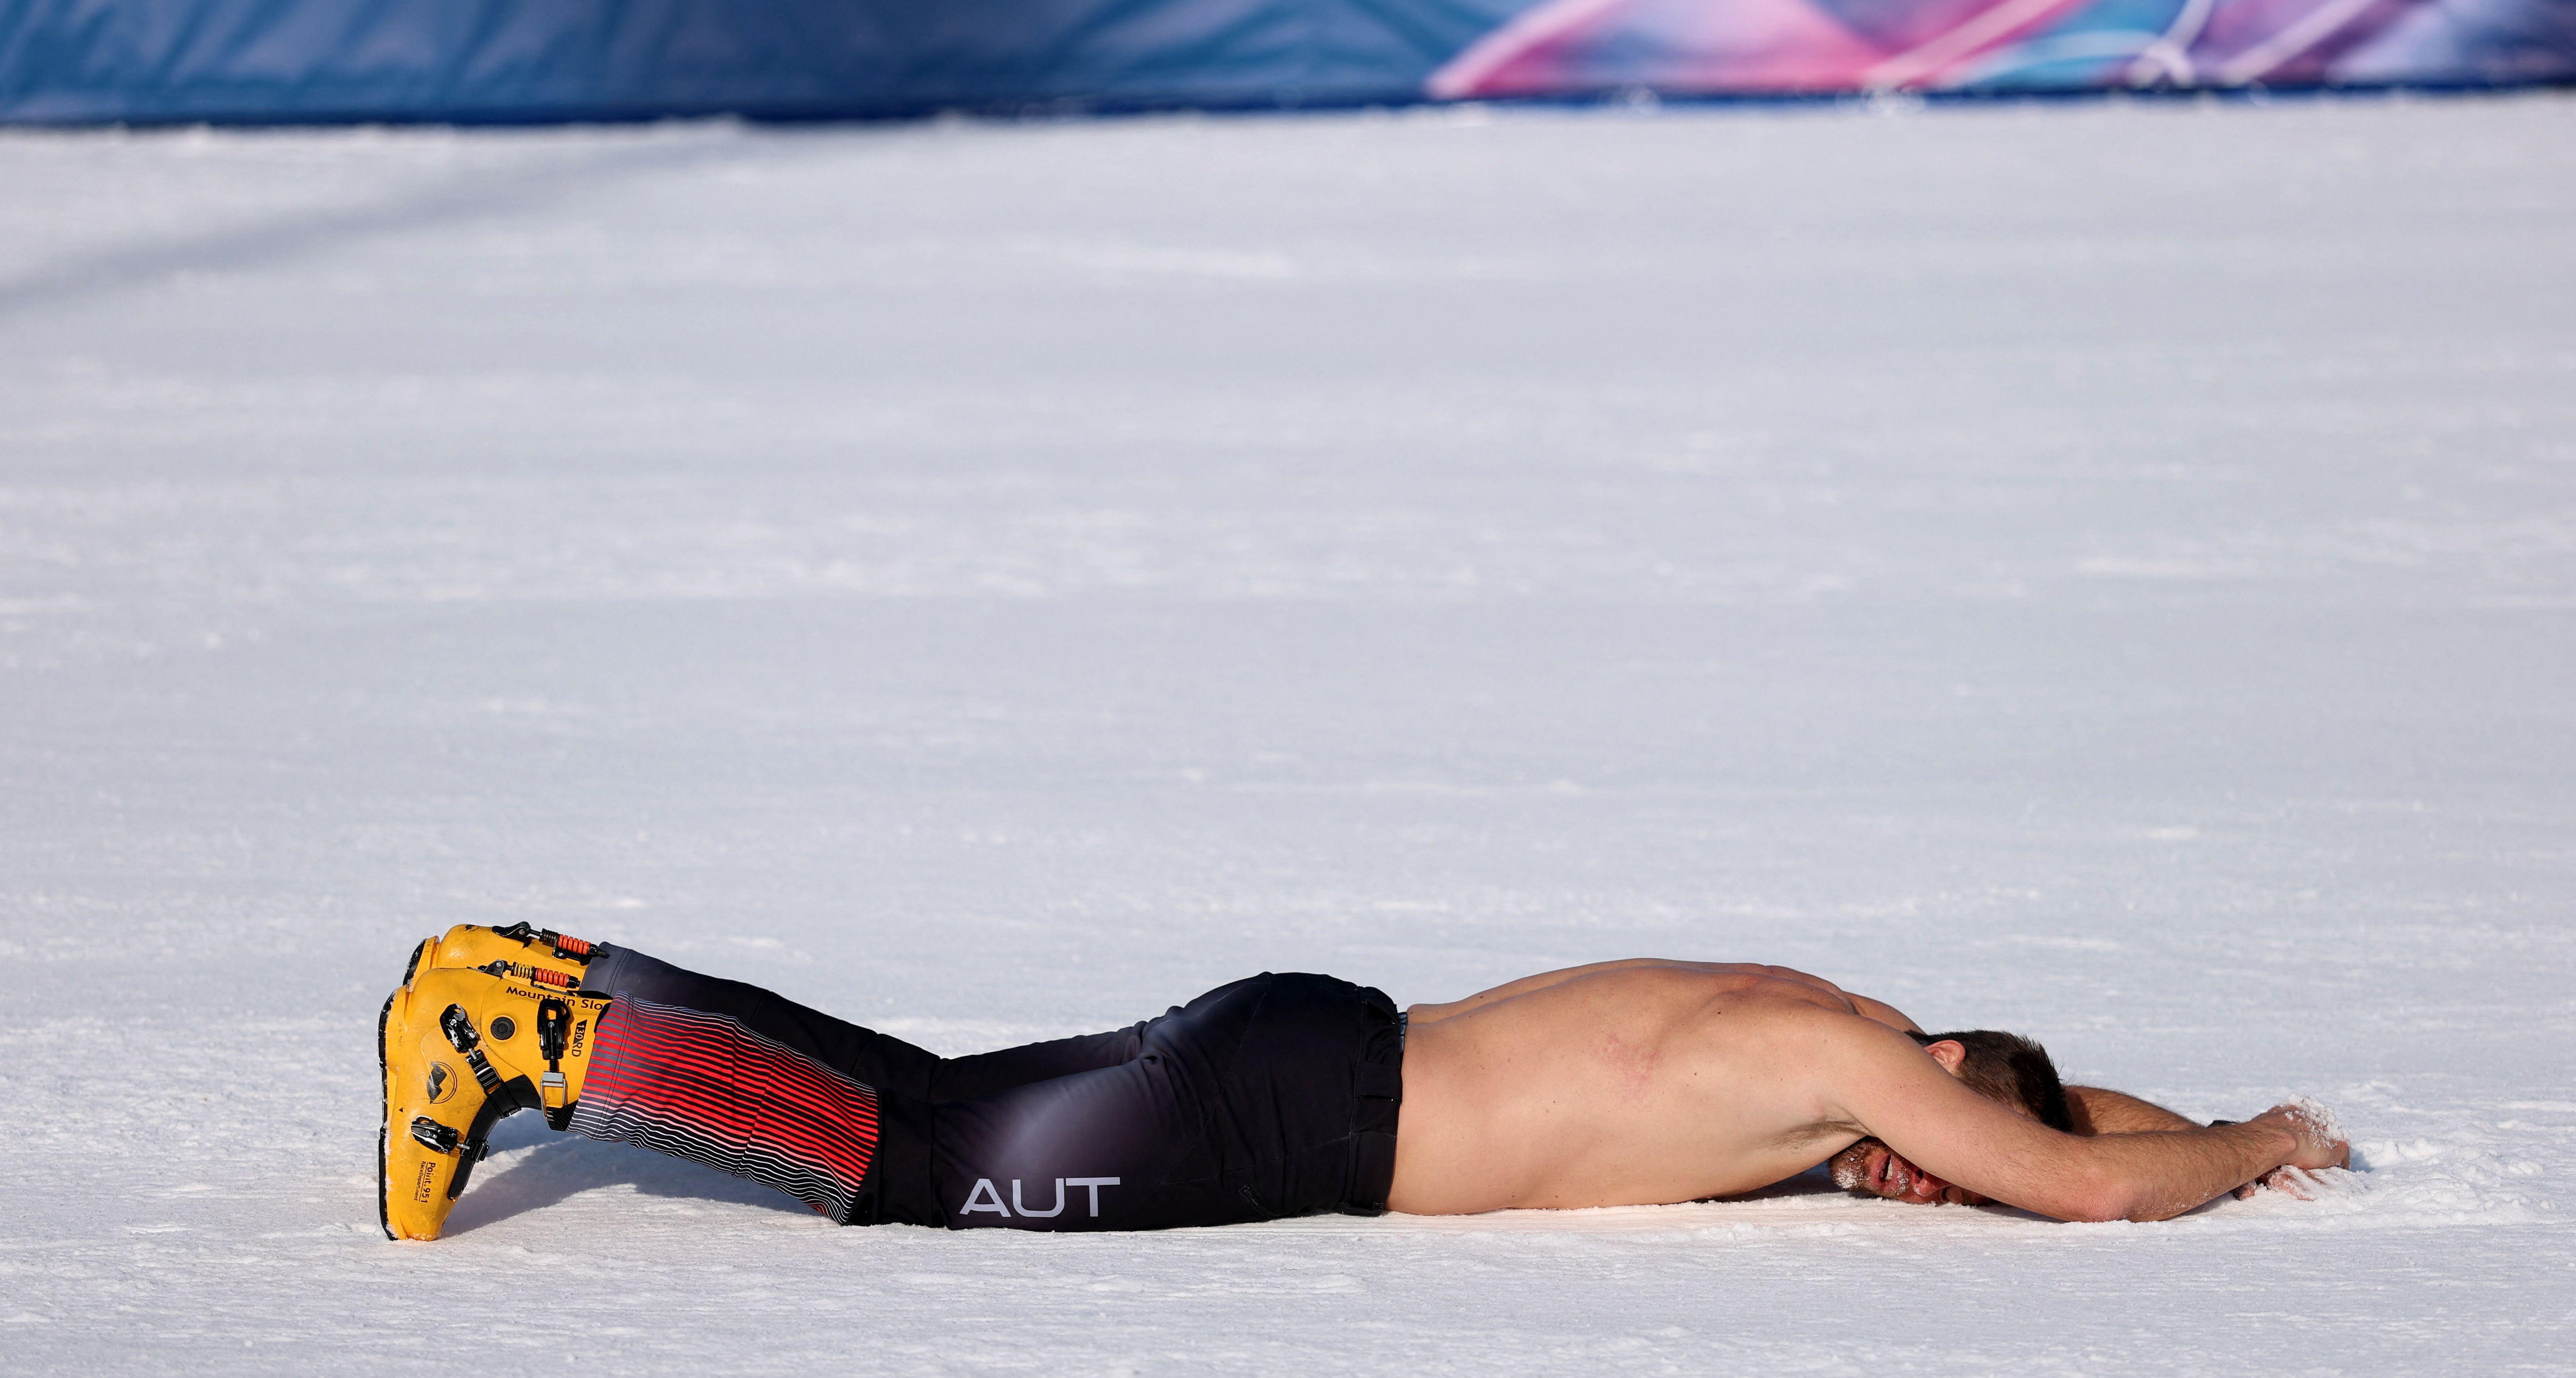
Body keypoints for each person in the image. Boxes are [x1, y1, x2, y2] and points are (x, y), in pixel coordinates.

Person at [378, 925, 2349, 1241]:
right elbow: (2086, 1182)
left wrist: (2182, 1125)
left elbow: (2078, 1127)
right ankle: (543, 1042)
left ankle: (548, 976)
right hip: (1289, 1120)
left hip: (1311, 1045)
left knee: (919, 1090)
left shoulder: (1833, 1021)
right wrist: (2261, 1141)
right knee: (903, 1164)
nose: (1916, 1175)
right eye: (1939, 1152)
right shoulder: (1847, 1063)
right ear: (1940, 1073)